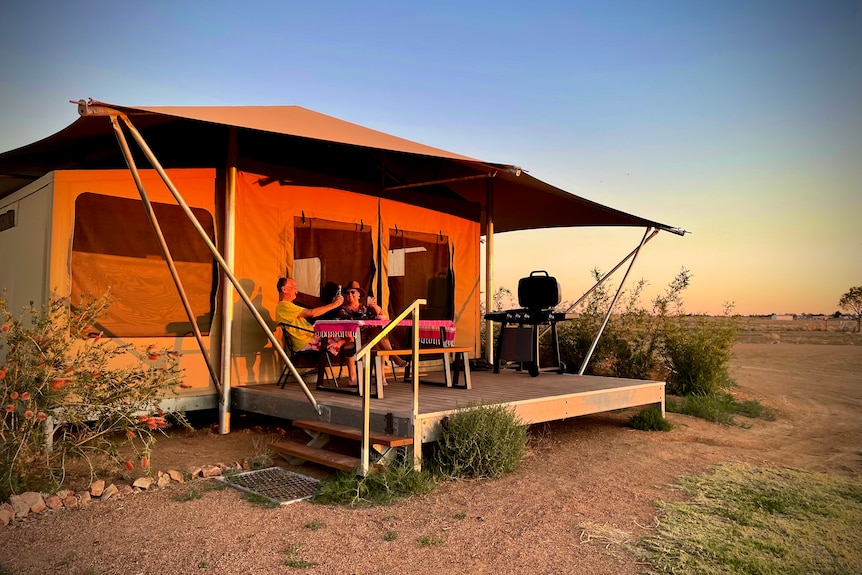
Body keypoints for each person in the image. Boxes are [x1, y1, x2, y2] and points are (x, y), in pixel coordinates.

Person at [337, 280, 409, 386]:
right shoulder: (343, 310)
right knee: (378, 338)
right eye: (347, 293)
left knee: (377, 335)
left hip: (369, 338)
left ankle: (382, 375)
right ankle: (392, 361)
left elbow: (381, 317)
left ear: (359, 295)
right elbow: (342, 327)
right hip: (353, 339)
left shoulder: (366, 308)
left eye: (352, 292)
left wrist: (376, 308)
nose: (350, 295)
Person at [275, 277, 346, 355]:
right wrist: (333, 305)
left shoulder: (290, 306)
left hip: (311, 337)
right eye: (293, 288)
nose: (296, 291)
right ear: (284, 289)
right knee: (347, 339)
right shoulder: (284, 306)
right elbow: (312, 313)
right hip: (306, 342)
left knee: (346, 336)